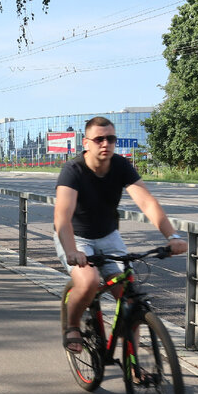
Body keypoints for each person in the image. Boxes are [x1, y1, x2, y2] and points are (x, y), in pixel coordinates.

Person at [53, 116, 188, 353]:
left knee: (130, 299)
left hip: (108, 236)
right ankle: (72, 324)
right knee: (89, 282)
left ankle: (133, 366)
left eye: (111, 138)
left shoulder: (121, 165)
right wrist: (72, 250)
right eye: (99, 139)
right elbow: (62, 217)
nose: (105, 143)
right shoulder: (73, 170)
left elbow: (147, 202)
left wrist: (173, 237)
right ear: (86, 143)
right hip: (77, 238)